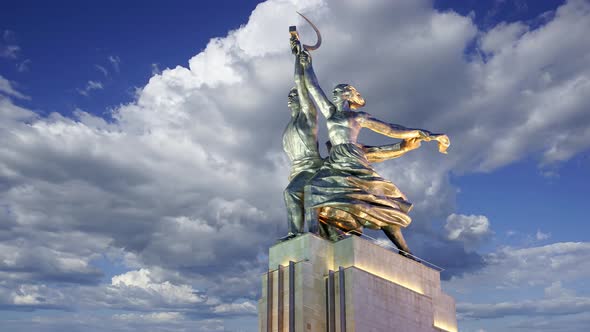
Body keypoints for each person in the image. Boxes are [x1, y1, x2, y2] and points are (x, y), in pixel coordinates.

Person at [299, 50, 450, 258]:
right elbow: (314, 90)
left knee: (376, 200)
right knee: (314, 190)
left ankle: (404, 250)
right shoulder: (331, 113)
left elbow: (391, 129)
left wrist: (425, 135)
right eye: (334, 91)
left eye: (340, 90)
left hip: (353, 158)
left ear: (350, 95)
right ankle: (315, 236)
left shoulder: (359, 116)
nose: (335, 93)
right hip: (336, 161)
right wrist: (306, 65)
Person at [280, 37, 324, 240]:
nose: (291, 97)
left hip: (312, 168)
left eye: (295, 95)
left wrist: (298, 58)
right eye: (289, 96)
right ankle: (301, 234)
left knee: (291, 192)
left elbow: (300, 83)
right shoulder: (288, 127)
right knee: (292, 192)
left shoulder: (308, 116)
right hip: (297, 171)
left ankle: (297, 233)